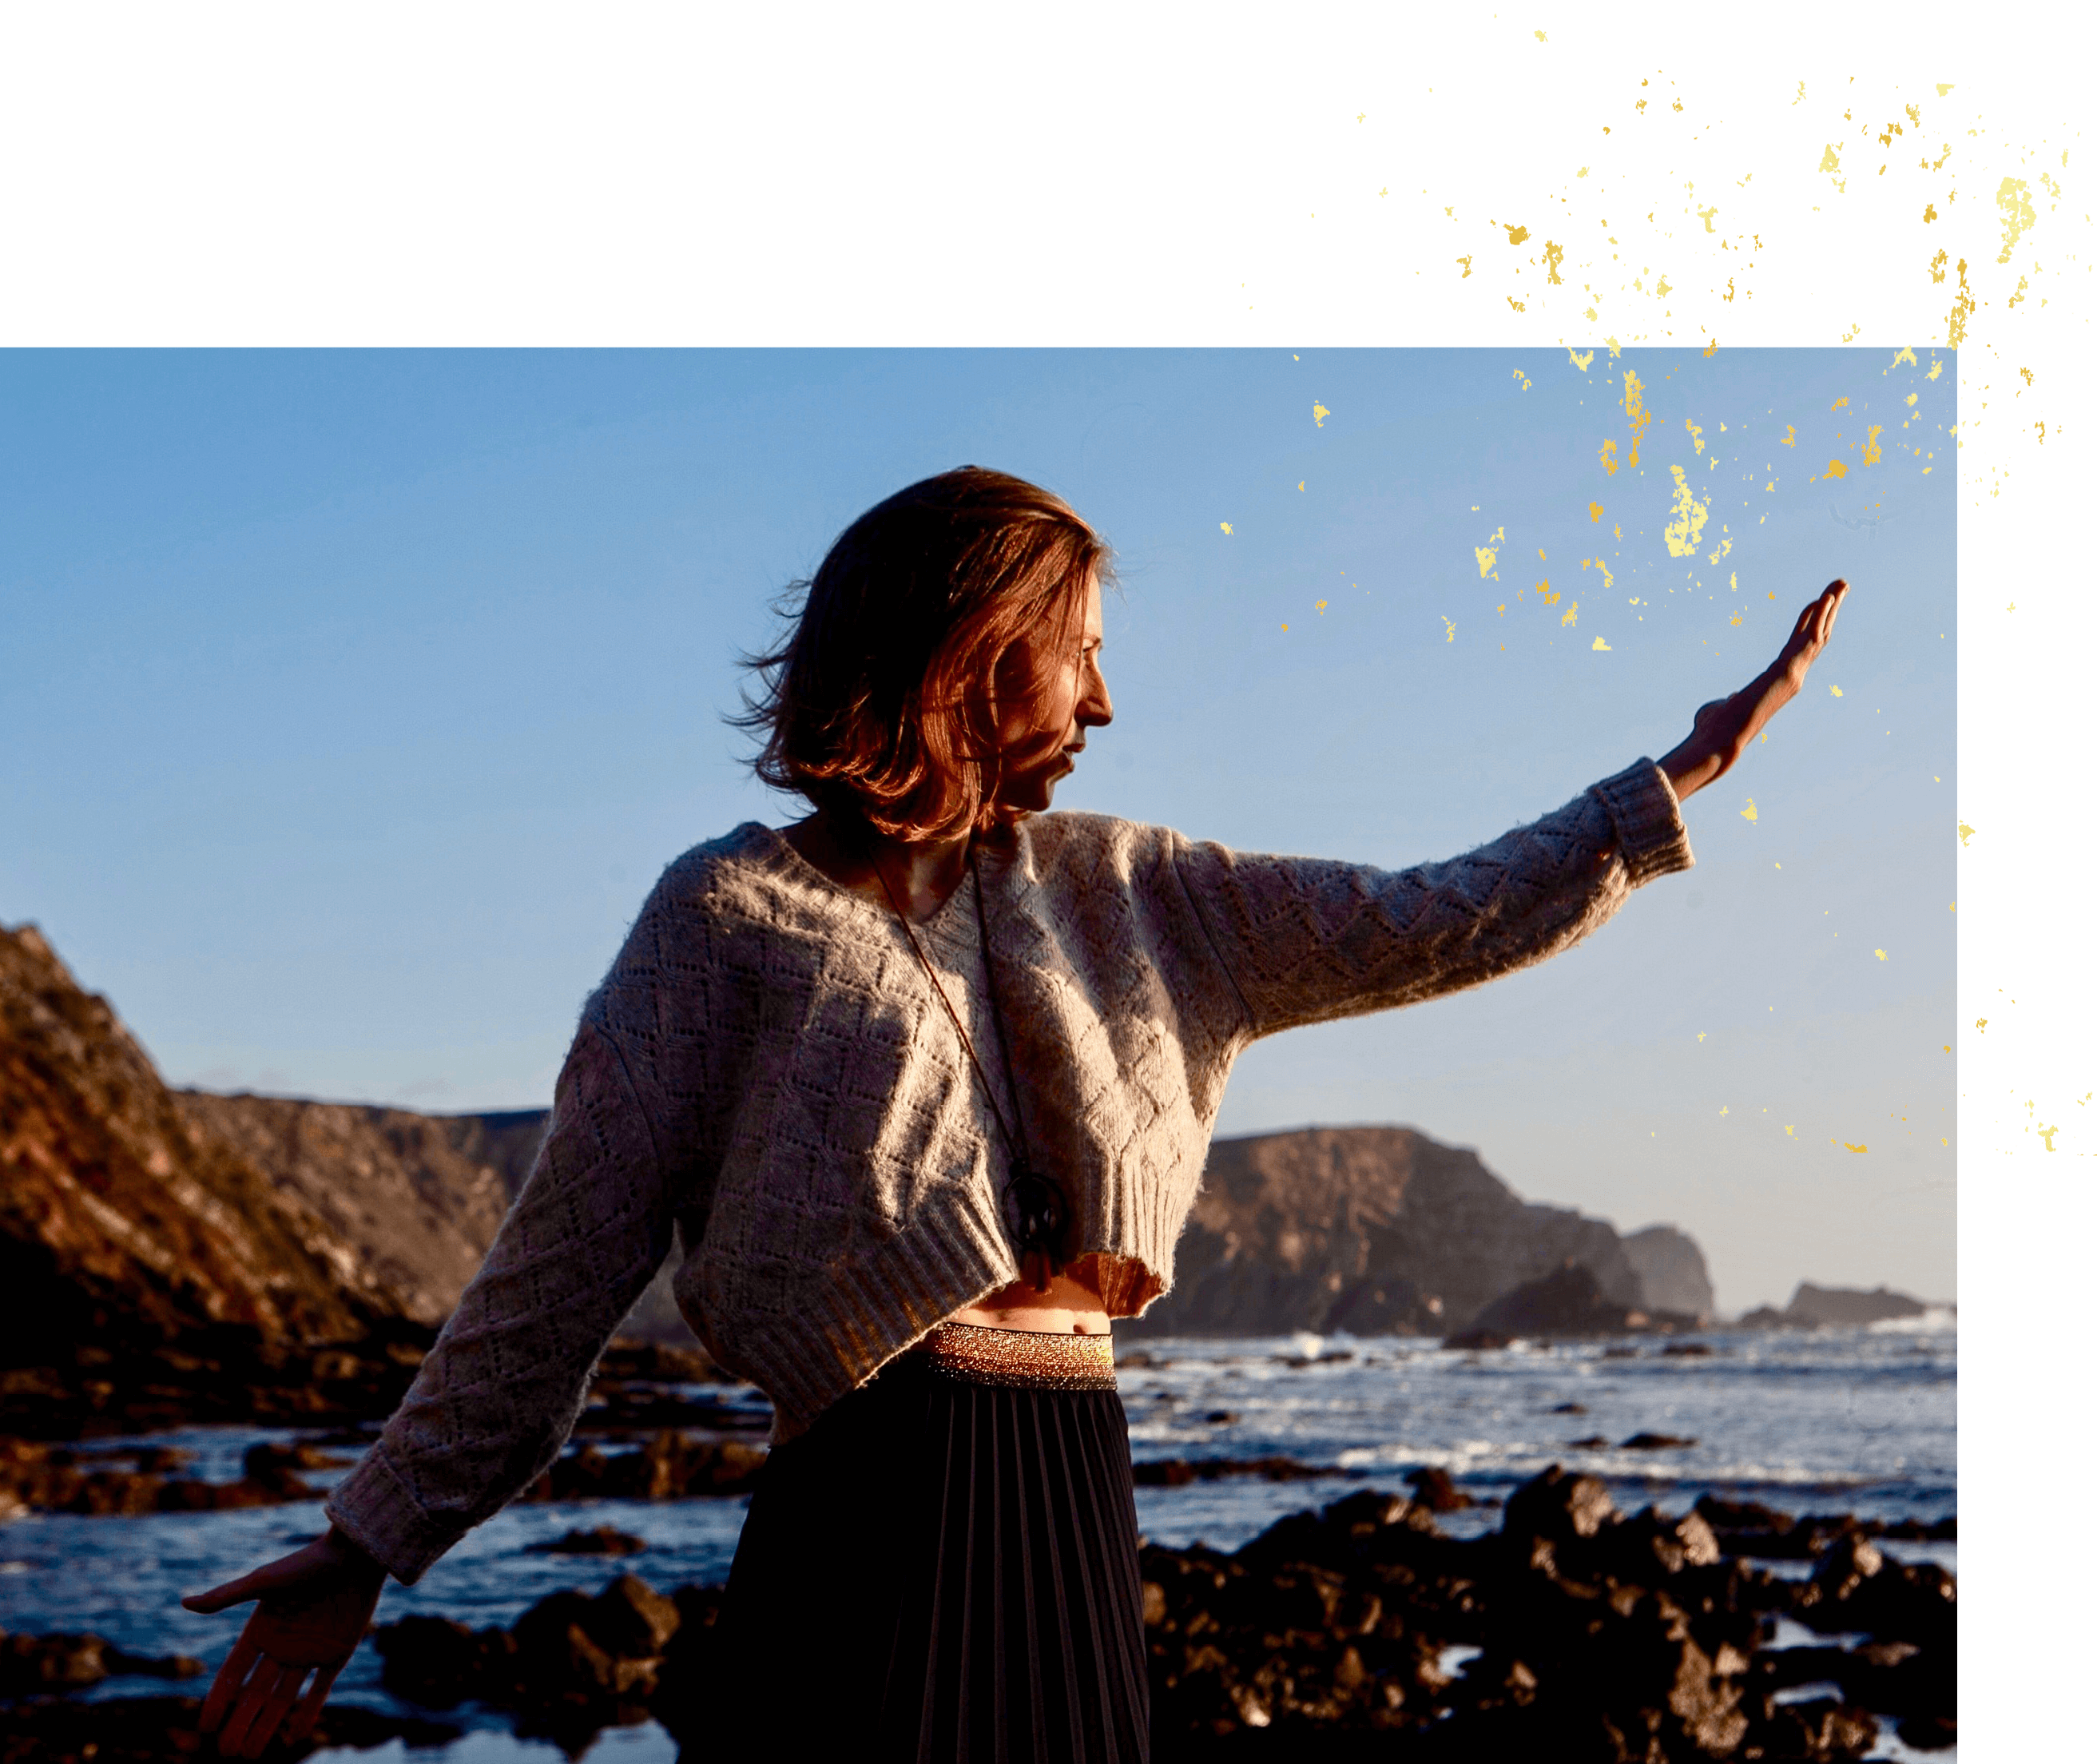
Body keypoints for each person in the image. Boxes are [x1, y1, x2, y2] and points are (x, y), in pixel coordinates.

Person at [181, 467, 1848, 1760]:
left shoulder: (1132, 892)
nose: (1107, 704)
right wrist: (370, 1539)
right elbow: (559, 1265)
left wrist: (1672, 783)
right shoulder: (724, 922)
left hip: (1066, 1497)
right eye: (1087, 654)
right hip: (870, 1525)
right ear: (980, 647)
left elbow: (1424, 914)